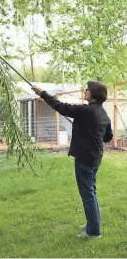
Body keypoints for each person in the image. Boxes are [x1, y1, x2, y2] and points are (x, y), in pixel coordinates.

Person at [33, 81, 113, 238]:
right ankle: (93, 223)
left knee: (88, 194)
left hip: (85, 158)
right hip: (95, 158)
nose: (85, 91)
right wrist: (91, 129)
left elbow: (61, 107)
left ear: (93, 94)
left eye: (88, 89)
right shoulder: (103, 114)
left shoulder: (86, 111)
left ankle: (93, 231)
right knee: (91, 192)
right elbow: (107, 137)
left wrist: (43, 93)